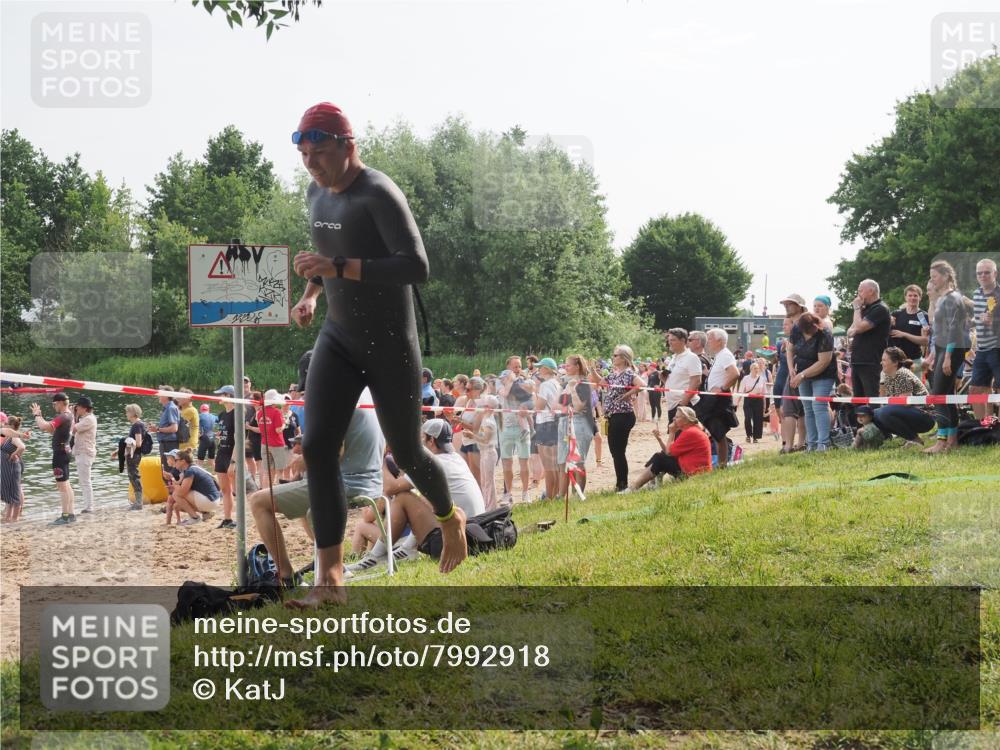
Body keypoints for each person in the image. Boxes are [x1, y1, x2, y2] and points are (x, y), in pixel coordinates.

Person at [286, 102, 466, 606]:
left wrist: (337, 265)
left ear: (347, 145)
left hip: (390, 344)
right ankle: (332, 581)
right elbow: (328, 265)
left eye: (319, 151)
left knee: (407, 451)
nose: (311, 163)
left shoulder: (379, 193)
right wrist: (311, 294)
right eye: (303, 153)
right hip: (338, 338)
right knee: (318, 446)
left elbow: (416, 266)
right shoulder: (315, 193)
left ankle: (451, 519)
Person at [346, 419, 484, 577]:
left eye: (421, 439)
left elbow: (391, 488)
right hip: (472, 534)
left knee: (404, 497)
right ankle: (406, 549)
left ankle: (377, 557)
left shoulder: (435, 463)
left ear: (431, 440)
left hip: (454, 540)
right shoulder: (456, 458)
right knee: (423, 500)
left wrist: (380, 460)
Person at [924, 260, 971, 454]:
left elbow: (954, 329)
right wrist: (935, 354)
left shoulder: (952, 298)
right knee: (947, 396)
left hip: (952, 349)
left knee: (938, 395)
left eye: (934, 276)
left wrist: (948, 357)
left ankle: (942, 441)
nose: (932, 280)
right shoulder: (942, 298)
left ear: (945, 277)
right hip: (944, 349)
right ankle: (952, 440)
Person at [623, 407, 711, 491]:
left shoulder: (690, 432)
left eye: (677, 417)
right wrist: (659, 439)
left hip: (694, 473)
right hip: (697, 470)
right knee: (659, 455)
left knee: (660, 458)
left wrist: (672, 432)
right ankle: (651, 482)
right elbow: (669, 452)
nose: (674, 419)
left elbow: (669, 452)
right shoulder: (693, 430)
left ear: (685, 420)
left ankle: (634, 488)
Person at [788, 312, 837, 451]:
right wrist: (792, 368)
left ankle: (823, 444)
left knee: (819, 406)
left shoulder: (825, 334)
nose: (811, 334)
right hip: (803, 372)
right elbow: (790, 349)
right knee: (808, 409)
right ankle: (811, 443)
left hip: (824, 374)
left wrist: (802, 375)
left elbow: (823, 362)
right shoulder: (796, 329)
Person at [604, 344, 646, 492]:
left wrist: (627, 395)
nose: (613, 357)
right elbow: (602, 383)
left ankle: (622, 484)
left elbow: (641, 385)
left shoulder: (628, 373)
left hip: (623, 415)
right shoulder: (614, 373)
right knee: (615, 451)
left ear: (623, 357)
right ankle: (620, 483)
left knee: (618, 451)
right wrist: (592, 371)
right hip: (613, 415)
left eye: (615, 355)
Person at [872, 347, 933, 446]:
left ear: (895, 362)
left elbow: (904, 403)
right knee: (874, 414)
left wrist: (887, 405)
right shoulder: (887, 375)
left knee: (883, 413)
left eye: (884, 360)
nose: (881, 363)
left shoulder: (902, 374)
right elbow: (882, 399)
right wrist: (882, 381)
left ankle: (915, 439)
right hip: (909, 412)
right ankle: (894, 439)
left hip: (925, 415)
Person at [697, 329, 740, 467]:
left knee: (719, 434)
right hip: (714, 398)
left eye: (710, 339)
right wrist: (708, 374)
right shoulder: (720, 355)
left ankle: (722, 465)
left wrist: (722, 388)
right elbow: (722, 374)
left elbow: (734, 374)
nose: (708, 342)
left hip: (718, 400)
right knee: (717, 434)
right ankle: (722, 464)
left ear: (720, 341)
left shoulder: (725, 355)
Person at [31, 393, 76, 525]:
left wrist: (37, 415)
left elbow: (43, 426)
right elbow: (52, 430)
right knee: (66, 484)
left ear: (61, 402)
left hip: (60, 454)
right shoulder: (70, 416)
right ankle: (71, 513)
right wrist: (43, 423)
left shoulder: (63, 416)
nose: (53, 406)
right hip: (66, 451)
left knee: (62, 486)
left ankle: (65, 515)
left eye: (54, 404)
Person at [557, 355, 596, 500]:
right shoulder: (566, 383)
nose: (565, 368)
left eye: (568, 365)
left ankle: (578, 494)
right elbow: (559, 405)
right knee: (562, 461)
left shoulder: (583, 383)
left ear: (577, 366)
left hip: (579, 423)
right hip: (563, 422)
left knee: (578, 461)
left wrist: (572, 389)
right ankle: (561, 496)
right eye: (565, 365)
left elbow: (579, 407)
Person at [498, 355, 534, 505]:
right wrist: (510, 380)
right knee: (506, 464)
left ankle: (525, 493)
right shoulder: (501, 383)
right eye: (514, 367)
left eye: (519, 366)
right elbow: (504, 394)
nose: (518, 369)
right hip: (505, 428)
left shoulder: (525, 381)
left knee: (524, 462)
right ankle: (508, 494)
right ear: (508, 368)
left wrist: (518, 382)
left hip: (521, 428)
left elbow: (532, 394)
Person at [846, 279, 891, 398]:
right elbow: (850, 331)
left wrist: (856, 309)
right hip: (857, 360)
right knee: (858, 401)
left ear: (871, 291)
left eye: (860, 291)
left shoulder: (880, 308)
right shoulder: (864, 309)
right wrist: (856, 323)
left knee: (871, 400)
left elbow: (858, 328)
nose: (858, 294)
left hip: (870, 361)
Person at [970, 258, 1000, 420]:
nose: (983, 276)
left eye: (987, 272)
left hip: (997, 348)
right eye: (979, 273)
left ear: (995, 274)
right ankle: (982, 426)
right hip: (981, 349)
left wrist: (994, 321)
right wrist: (970, 322)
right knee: (975, 389)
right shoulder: (976, 293)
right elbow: (978, 318)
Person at [778, 296, 808, 453]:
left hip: (800, 371)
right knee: (803, 409)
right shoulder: (804, 323)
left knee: (790, 409)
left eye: (790, 304)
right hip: (799, 371)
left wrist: (792, 369)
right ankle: (801, 443)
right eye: (785, 304)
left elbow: (793, 349)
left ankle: (789, 445)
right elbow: (791, 349)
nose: (786, 307)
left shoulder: (803, 324)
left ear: (799, 306)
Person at [532, 357, 563, 501]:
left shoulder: (545, 385)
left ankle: (550, 497)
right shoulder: (557, 384)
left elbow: (539, 406)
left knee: (549, 466)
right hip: (555, 424)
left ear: (547, 369)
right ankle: (555, 494)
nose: (539, 370)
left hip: (545, 424)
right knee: (554, 465)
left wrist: (534, 400)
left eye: (541, 367)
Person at [211, 385, 239, 529]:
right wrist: (218, 436)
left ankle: (241, 518)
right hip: (221, 453)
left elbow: (239, 440)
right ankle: (227, 519)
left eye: (221, 394)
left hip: (231, 455)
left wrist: (233, 462)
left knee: (237, 490)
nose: (218, 397)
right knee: (225, 490)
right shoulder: (222, 415)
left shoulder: (237, 414)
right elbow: (224, 434)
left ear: (228, 396)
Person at [170, 450, 222, 524]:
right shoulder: (194, 467)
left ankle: (195, 518)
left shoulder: (190, 471)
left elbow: (181, 493)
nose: (174, 462)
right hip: (214, 500)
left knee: (176, 494)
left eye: (176, 460)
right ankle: (206, 513)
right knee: (177, 506)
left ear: (183, 461)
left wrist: (175, 485)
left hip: (209, 500)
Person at [662, 328, 702, 423]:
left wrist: (683, 403)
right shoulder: (674, 357)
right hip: (673, 405)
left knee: (683, 436)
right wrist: (664, 379)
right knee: (675, 436)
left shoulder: (691, 357)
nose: (669, 343)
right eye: (669, 340)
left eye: (673, 340)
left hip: (685, 405)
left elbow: (696, 381)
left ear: (683, 340)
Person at [114, 404, 147, 511]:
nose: (126, 414)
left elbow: (138, 443)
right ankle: (138, 502)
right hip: (134, 454)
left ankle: (138, 503)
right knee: (133, 476)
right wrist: (118, 451)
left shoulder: (137, 425)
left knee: (134, 476)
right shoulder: (139, 424)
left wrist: (126, 444)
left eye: (127, 412)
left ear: (133, 413)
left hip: (134, 454)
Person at [889, 284, 929, 370]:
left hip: (914, 361)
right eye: (910, 295)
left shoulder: (922, 316)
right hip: (896, 360)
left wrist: (904, 334)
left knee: (914, 384)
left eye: (915, 295)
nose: (912, 298)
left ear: (920, 298)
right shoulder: (897, 314)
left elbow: (925, 341)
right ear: (905, 297)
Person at [70, 396, 98, 513]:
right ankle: (88, 505)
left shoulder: (89, 419)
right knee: (83, 481)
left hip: (85, 453)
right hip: (82, 452)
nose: (77, 409)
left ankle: (89, 506)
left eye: (78, 407)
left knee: (85, 481)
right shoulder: (86, 418)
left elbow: (73, 429)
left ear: (84, 408)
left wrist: (72, 416)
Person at [148, 386, 180, 469]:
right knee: (166, 470)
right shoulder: (168, 408)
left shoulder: (171, 408)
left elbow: (174, 428)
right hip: (166, 443)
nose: (158, 395)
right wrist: (157, 428)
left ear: (166, 396)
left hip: (169, 444)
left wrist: (158, 429)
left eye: (161, 394)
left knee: (169, 471)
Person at [1, 416, 26, 522]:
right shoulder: (7, 436)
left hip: (12, 466)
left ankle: (14, 518)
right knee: (8, 491)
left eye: (6, 423)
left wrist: (14, 454)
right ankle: (8, 517)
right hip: (6, 467)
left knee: (14, 492)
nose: (4, 425)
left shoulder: (13, 437)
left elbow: (22, 447)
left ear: (10, 426)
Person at [738, 361, 767, 443]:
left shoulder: (762, 379)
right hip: (748, 400)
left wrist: (765, 406)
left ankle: (755, 437)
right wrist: (736, 403)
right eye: (755, 368)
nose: (756, 370)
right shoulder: (745, 378)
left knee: (757, 419)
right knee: (747, 418)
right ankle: (748, 435)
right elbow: (740, 391)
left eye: (757, 368)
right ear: (751, 369)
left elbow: (764, 393)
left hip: (758, 400)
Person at [177, 388, 200, 453]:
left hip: (187, 443)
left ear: (188, 399)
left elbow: (176, 422)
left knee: (183, 462)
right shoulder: (185, 409)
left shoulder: (190, 410)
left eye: (181, 397)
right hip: (186, 442)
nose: (178, 399)